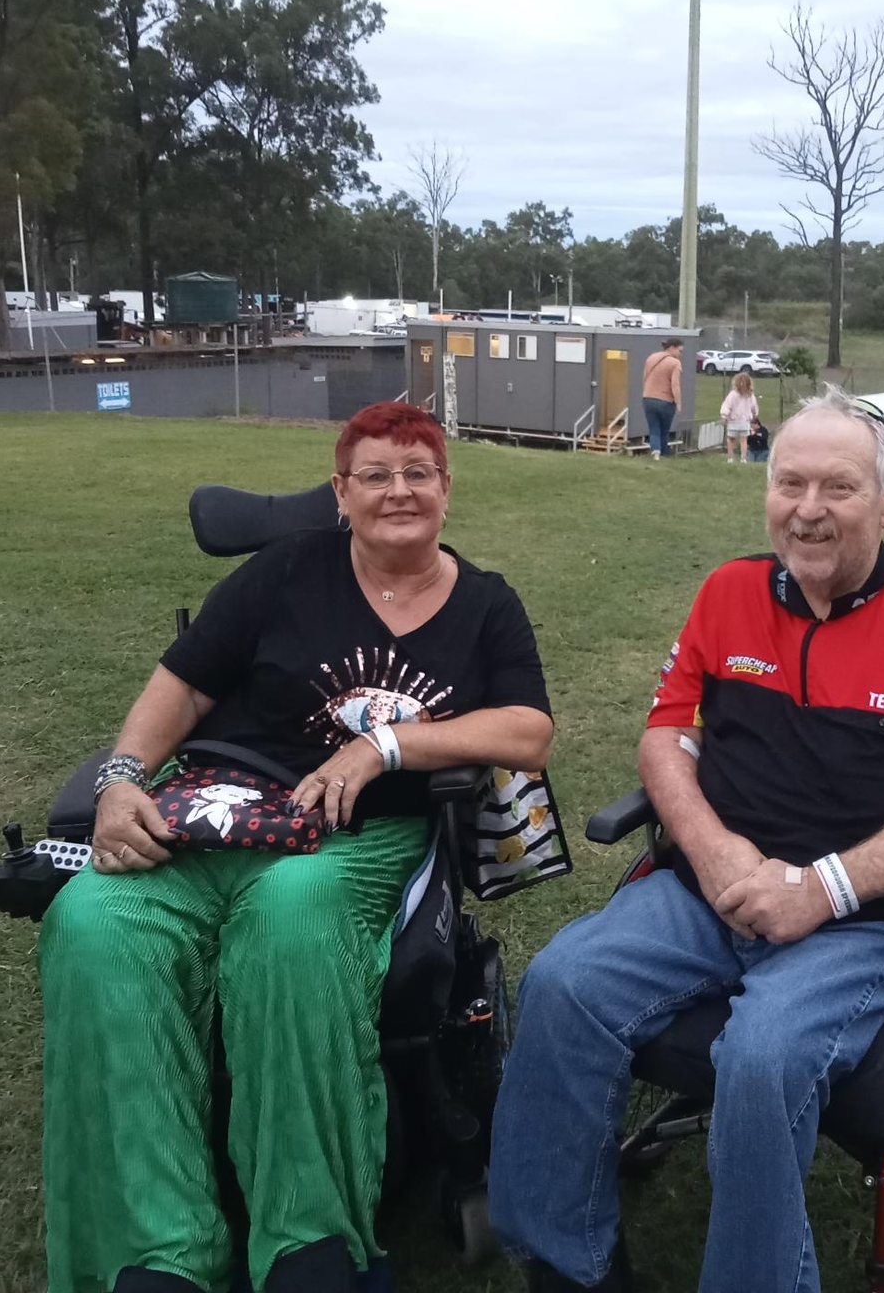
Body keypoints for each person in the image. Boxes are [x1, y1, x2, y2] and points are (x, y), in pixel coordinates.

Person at [489, 387, 884, 1293]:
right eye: (789, 483)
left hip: (870, 919)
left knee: (765, 1051)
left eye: (839, 488)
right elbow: (666, 734)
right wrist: (716, 849)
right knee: (561, 983)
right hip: (710, 891)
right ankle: (566, 1261)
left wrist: (823, 889)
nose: (808, 510)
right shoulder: (729, 592)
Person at [39, 400, 554, 1293]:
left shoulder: (485, 605)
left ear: (446, 489)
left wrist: (385, 745)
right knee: (92, 919)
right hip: (218, 809)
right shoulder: (282, 574)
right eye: (376, 475)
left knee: (291, 923)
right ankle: (153, 1252)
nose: (399, 491)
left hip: (361, 837)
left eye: (418, 473)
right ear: (340, 493)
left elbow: (526, 731)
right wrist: (122, 778)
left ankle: (309, 1241)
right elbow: (183, 687)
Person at [640, 336, 683, 460]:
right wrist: (678, 402)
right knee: (664, 429)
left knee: (653, 427)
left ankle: (655, 452)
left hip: (648, 398)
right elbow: (675, 385)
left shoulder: (651, 358)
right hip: (665, 401)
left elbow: (644, 378)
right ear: (672, 347)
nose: (680, 354)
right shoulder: (675, 363)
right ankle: (664, 453)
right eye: (679, 350)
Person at [719, 371, 759, 464]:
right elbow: (754, 407)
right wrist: (755, 414)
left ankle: (730, 458)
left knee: (731, 439)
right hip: (744, 421)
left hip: (734, 420)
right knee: (743, 440)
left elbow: (727, 405)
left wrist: (724, 415)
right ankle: (743, 458)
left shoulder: (733, 394)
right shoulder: (750, 396)